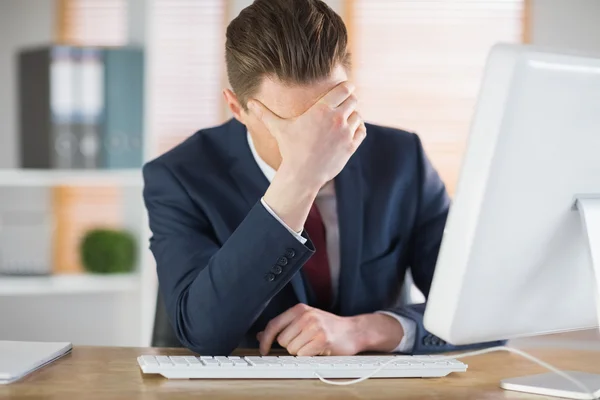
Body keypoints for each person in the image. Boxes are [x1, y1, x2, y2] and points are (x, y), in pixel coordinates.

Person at [143, 0, 499, 356]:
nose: (322, 138)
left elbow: (483, 314)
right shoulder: (180, 178)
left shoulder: (401, 160)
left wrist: (367, 330)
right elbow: (202, 333)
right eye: (295, 126)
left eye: (333, 110)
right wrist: (300, 179)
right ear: (239, 109)